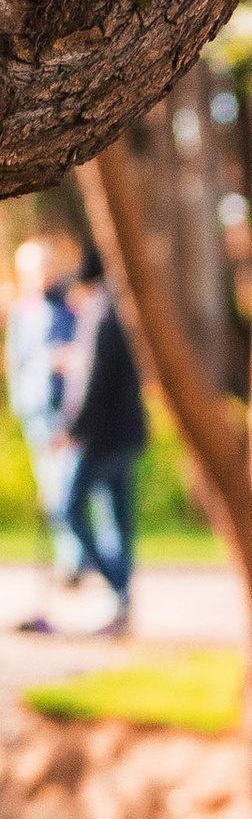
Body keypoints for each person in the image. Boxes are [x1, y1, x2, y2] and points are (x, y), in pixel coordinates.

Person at [53, 245, 148, 638]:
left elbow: (89, 382)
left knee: (69, 508)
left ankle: (116, 585)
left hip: (100, 437)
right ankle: (122, 602)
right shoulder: (122, 309)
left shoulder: (100, 313)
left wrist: (69, 428)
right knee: (116, 521)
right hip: (125, 434)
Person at [7, 226, 79, 632]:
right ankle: (69, 561)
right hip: (38, 408)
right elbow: (17, 361)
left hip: (66, 413)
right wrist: (23, 403)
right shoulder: (23, 312)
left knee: (64, 487)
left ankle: (73, 560)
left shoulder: (70, 309)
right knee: (51, 488)